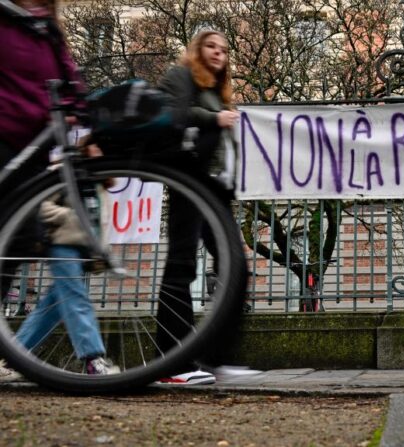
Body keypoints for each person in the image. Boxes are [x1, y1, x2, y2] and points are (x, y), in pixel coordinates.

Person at [154, 30, 253, 385]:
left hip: (216, 192)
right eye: (212, 46)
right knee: (181, 266)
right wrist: (216, 119)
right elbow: (175, 115)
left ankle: (215, 359)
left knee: (237, 270)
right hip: (188, 183)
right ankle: (171, 362)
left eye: (225, 49)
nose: (219, 53)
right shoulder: (181, 76)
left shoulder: (218, 92)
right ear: (198, 49)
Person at [0, 0, 84, 302]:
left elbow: (72, 82)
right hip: (5, 133)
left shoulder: (48, 30)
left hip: (34, 147)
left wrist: (83, 110)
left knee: (18, 239)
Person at [15, 145, 119, 375]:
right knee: (76, 297)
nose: (101, 153)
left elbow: (98, 223)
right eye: (97, 148)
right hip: (61, 243)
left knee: (51, 307)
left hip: (82, 251)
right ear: (85, 148)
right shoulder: (65, 172)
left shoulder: (101, 183)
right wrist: (69, 216)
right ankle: (93, 359)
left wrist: (101, 250)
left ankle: (14, 357)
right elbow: (40, 205)